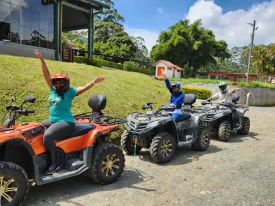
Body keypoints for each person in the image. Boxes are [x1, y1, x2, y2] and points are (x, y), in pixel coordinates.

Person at [34, 49, 106, 175]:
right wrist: (42, 60)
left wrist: (94, 82)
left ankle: (55, 162)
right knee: (35, 128)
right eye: (56, 82)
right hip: (53, 120)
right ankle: (40, 156)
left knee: (48, 136)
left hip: (66, 122)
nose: (58, 84)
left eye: (61, 81)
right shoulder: (53, 90)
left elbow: (83, 88)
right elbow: (46, 75)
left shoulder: (71, 92)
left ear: (66, 83)